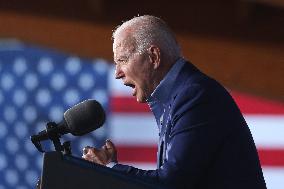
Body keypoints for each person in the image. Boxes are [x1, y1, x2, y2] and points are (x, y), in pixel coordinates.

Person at [82, 15, 267, 189]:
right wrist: (112, 172)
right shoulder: (180, 96)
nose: (117, 73)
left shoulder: (196, 96)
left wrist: (109, 169)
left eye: (122, 60)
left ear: (154, 57)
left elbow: (171, 183)